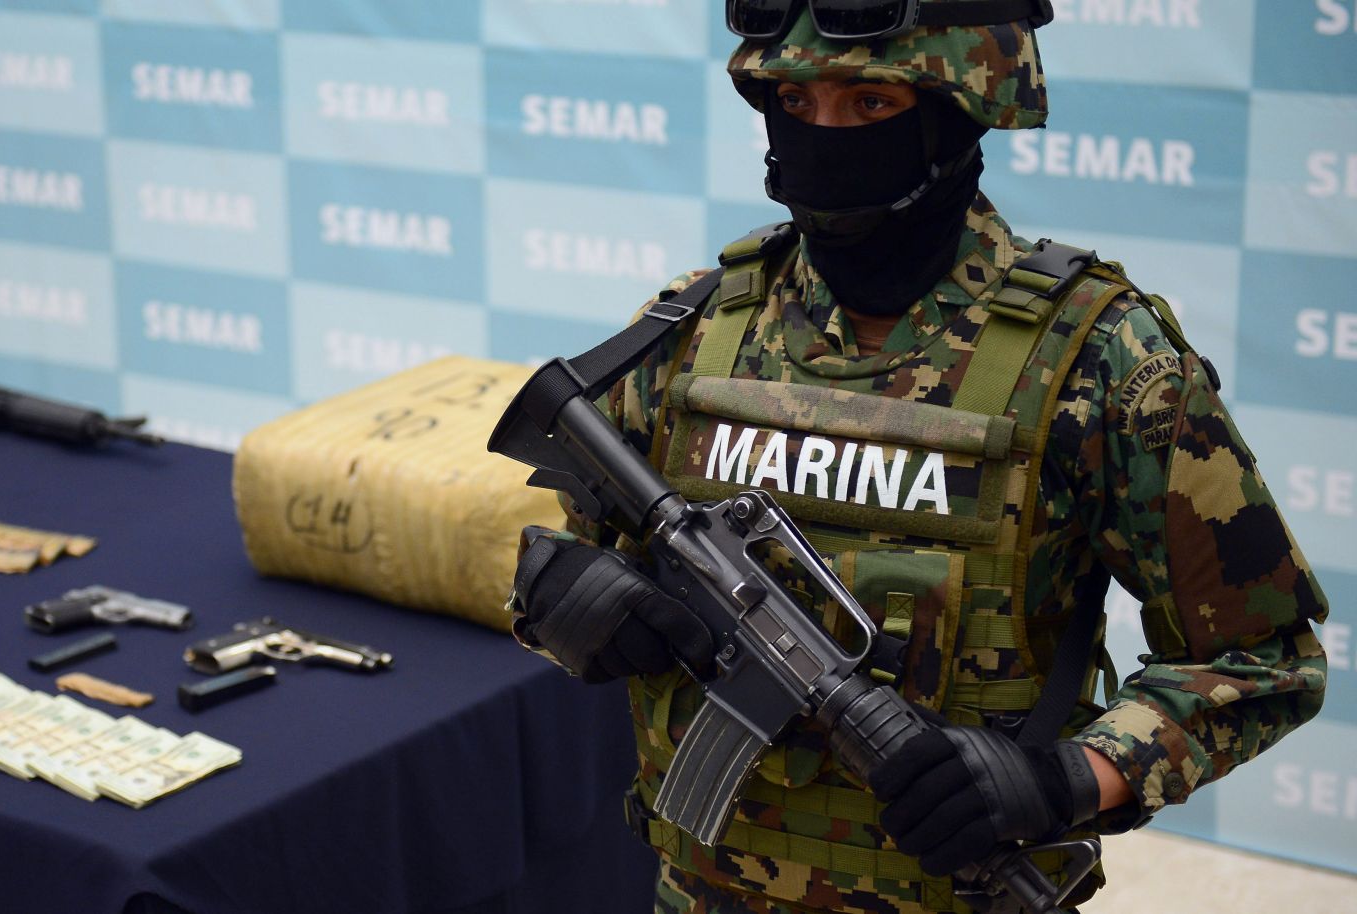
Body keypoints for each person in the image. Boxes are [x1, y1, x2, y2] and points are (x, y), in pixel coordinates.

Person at [505, 3, 1331, 913]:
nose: (822, 135)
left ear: (963, 108)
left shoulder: (1100, 362)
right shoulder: (693, 332)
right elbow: (581, 548)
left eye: (870, 104)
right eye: (794, 98)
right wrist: (566, 602)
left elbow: (1261, 658)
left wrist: (1072, 780)